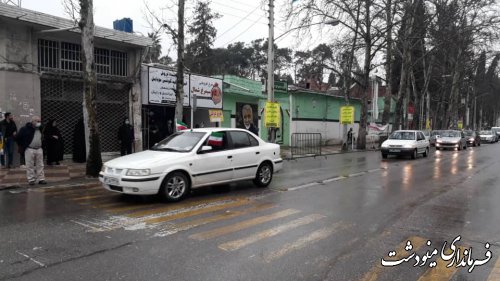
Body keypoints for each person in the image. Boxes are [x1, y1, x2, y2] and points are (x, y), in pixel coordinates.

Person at [16, 116, 46, 185]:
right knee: (30, 165)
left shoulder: (40, 128)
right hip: (29, 149)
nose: (39, 123)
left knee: (40, 165)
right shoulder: (25, 129)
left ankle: (41, 179)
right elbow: (18, 137)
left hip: (39, 148)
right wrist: (23, 145)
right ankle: (31, 179)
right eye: (37, 121)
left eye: (39, 121)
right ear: (33, 121)